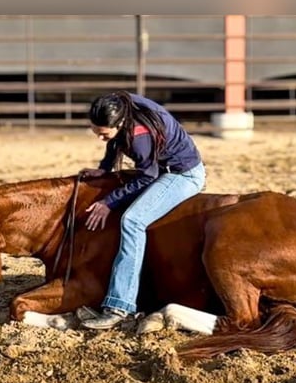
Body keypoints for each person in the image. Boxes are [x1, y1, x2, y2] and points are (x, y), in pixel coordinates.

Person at [78, 91, 206, 329]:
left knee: (132, 221)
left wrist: (109, 202)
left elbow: (148, 176)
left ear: (120, 122)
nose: (100, 138)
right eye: (96, 131)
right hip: (160, 168)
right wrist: (105, 169)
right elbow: (116, 141)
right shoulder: (119, 102)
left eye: (103, 133)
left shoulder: (139, 135)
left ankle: (120, 306)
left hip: (182, 174)